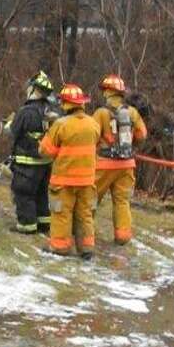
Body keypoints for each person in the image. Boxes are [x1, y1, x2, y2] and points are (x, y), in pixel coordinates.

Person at [39, 84, 101, 259]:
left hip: (64, 181)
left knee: (61, 214)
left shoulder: (60, 124)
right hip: (87, 181)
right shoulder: (93, 124)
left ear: (65, 104)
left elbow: (46, 151)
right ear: (81, 103)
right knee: (85, 215)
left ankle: (60, 247)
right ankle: (87, 248)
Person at [91, 74, 147, 246]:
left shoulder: (101, 113)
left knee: (91, 199)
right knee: (122, 201)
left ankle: (84, 233)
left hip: (104, 164)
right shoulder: (132, 112)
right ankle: (122, 236)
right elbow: (142, 135)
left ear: (108, 92)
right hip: (127, 164)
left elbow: (91, 135)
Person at [5, 71, 60, 235]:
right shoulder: (50, 111)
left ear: (34, 89)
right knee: (41, 193)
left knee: (24, 193)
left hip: (26, 163)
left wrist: (8, 124)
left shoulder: (26, 111)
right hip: (45, 163)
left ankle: (27, 225)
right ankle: (44, 223)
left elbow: (13, 131)